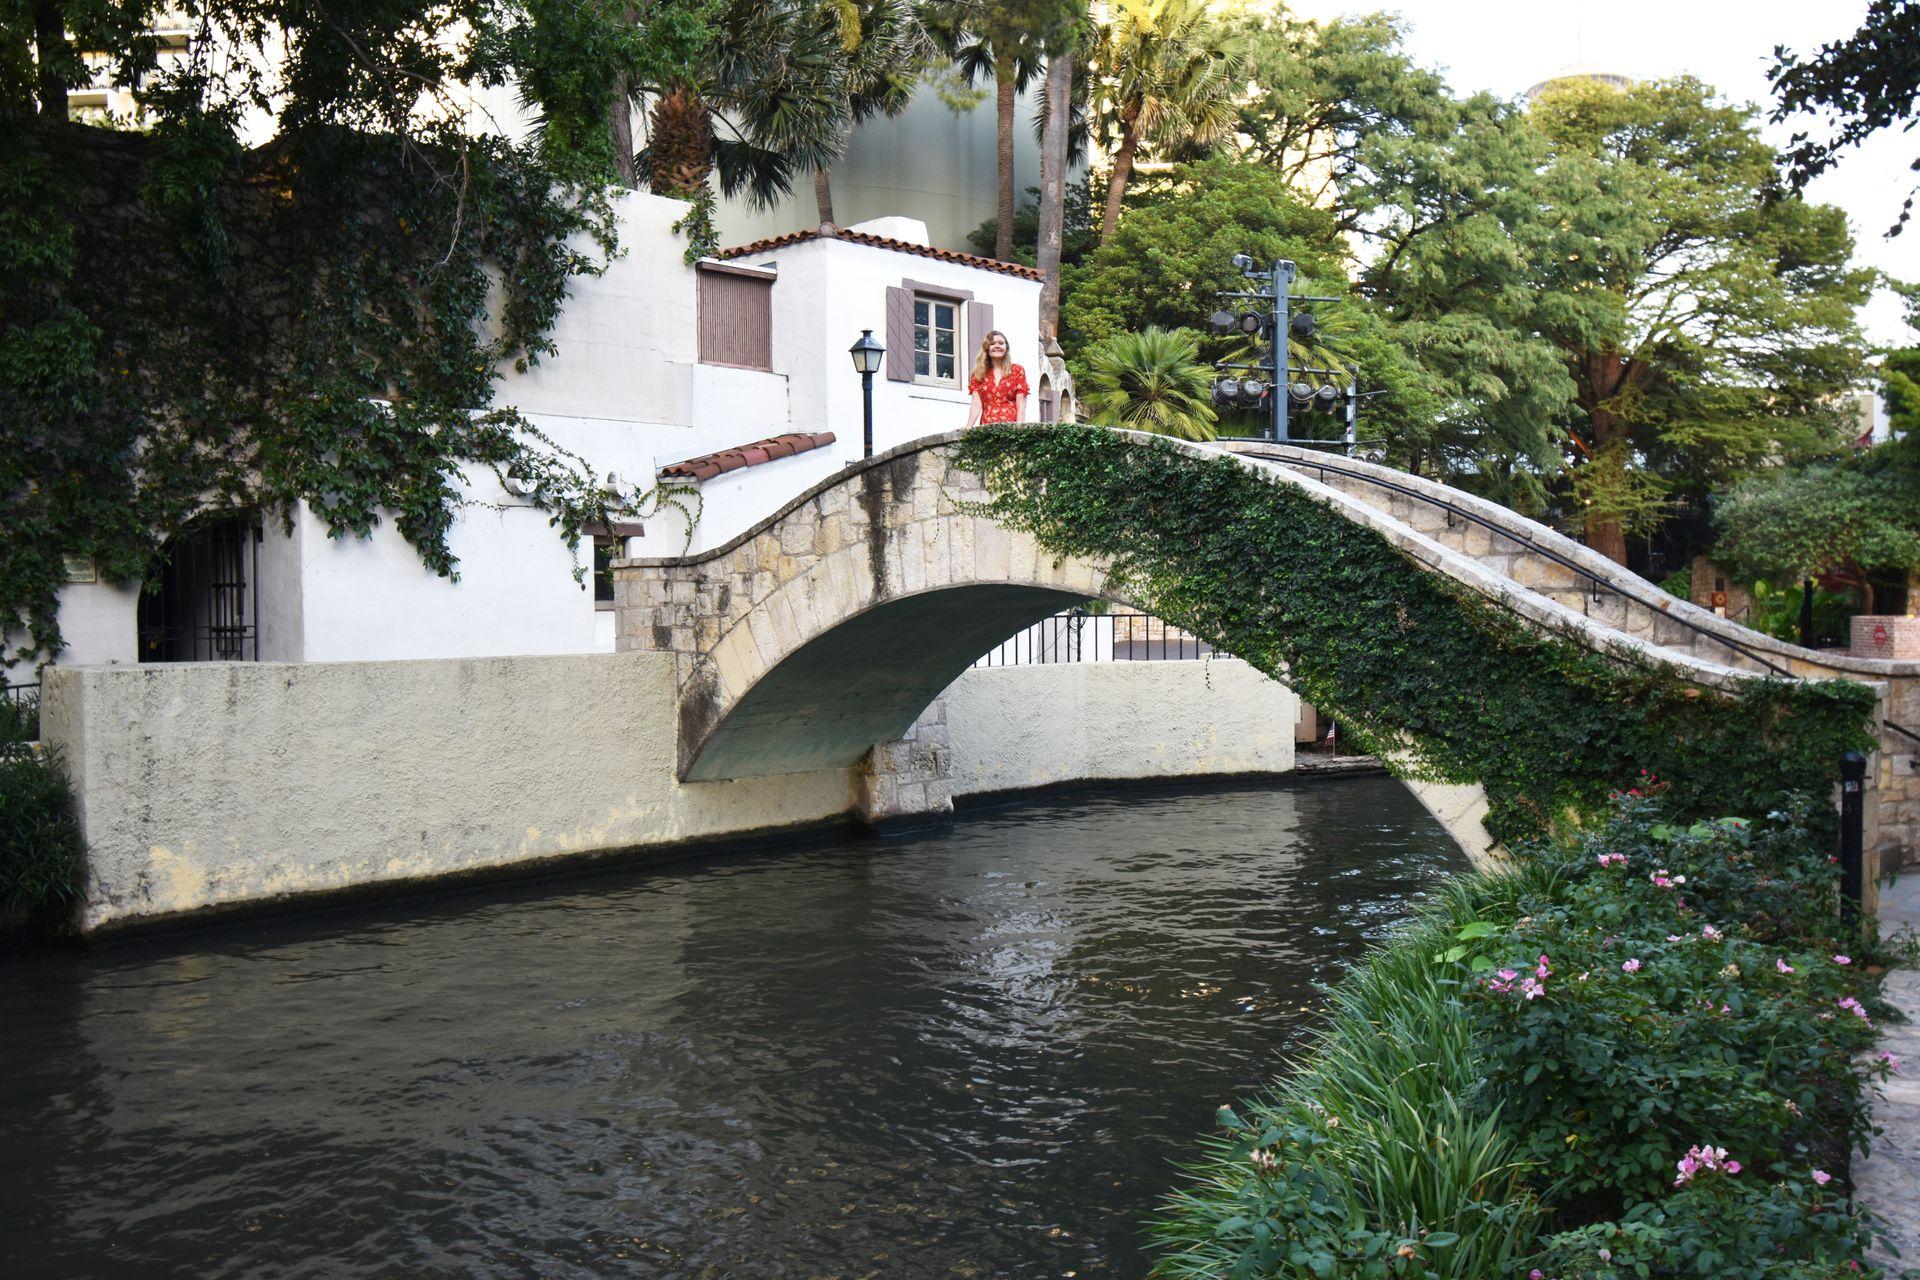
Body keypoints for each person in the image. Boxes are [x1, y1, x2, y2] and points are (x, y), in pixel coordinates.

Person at [963, 330, 1028, 427]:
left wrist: (1019, 429)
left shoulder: (1017, 370)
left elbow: (1021, 404)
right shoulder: (978, 374)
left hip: (1011, 428)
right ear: (986, 348)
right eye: (992, 343)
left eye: (1001, 343)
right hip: (987, 428)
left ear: (1006, 348)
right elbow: (976, 404)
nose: (997, 346)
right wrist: (968, 427)